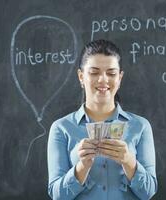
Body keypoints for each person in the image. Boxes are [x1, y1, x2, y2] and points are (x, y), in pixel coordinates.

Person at [47, 39, 158, 200]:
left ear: (119, 78)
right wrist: (82, 167)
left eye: (111, 73)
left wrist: (129, 162)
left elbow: (148, 192)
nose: (103, 80)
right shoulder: (60, 128)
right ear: (81, 76)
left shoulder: (140, 126)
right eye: (94, 72)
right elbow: (57, 196)